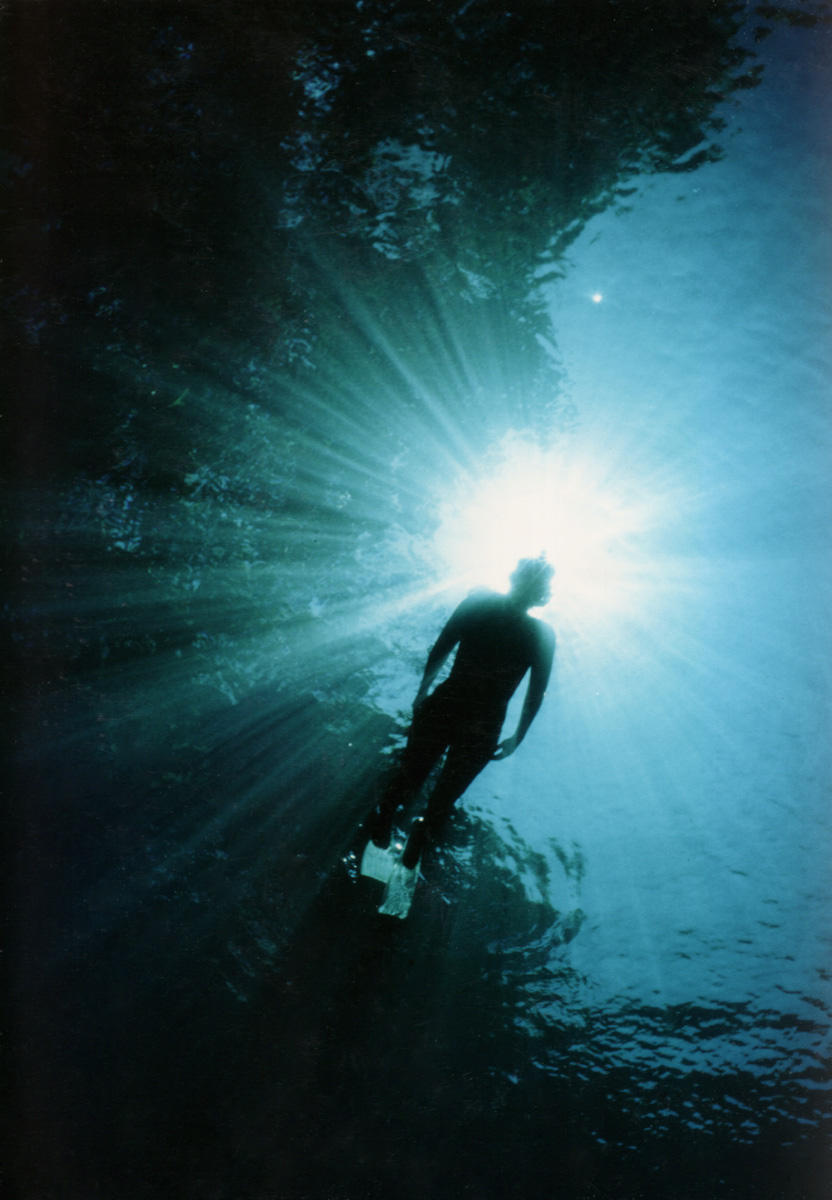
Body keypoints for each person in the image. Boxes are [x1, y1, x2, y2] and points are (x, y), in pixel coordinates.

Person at [366, 556, 555, 869]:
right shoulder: (538, 632)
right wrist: (517, 736)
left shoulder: (480, 604)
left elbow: (441, 647)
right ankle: (405, 836)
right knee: (436, 794)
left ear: (514, 577)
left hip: (451, 706)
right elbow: (536, 693)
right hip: (481, 721)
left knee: (415, 779)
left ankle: (391, 824)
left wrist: (422, 693)